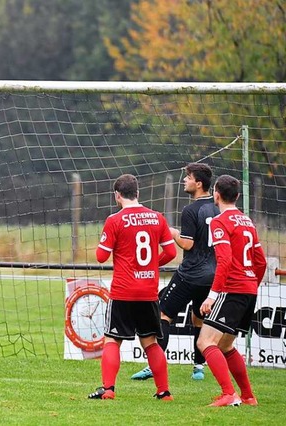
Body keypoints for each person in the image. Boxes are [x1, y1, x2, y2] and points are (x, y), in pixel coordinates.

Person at [88, 174, 177, 401]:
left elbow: (100, 256)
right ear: (138, 193)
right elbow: (172, 252)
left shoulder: (115, 220)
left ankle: (108, 389)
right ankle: (164, 391)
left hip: (123, 291)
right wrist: (149, 266)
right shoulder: (157, 218)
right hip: (148, 291)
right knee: (150, 342)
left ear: (117, 195)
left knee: (112, 340)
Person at [132, 163, 219, 381]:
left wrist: (172, 232)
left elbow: (187, 244)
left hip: (190, 274)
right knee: (198, 319)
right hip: (212, 275)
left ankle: (155, 365)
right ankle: (198, 368)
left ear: (198, 184)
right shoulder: (218, 208)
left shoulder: (191, 210)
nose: (184, 180)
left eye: (188, 177)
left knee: (162, 314)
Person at [197, 175, 266, 407]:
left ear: (216, 194)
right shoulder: (247, 221)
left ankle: (229, 394)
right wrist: (251, 286)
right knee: (225, 345)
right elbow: (261, 262)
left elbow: (224, 262)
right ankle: (248, 396)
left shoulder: (219, 221)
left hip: (232, 288)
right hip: (248, 289)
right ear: (237, 196)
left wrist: (212, 296)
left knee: (205, 341)